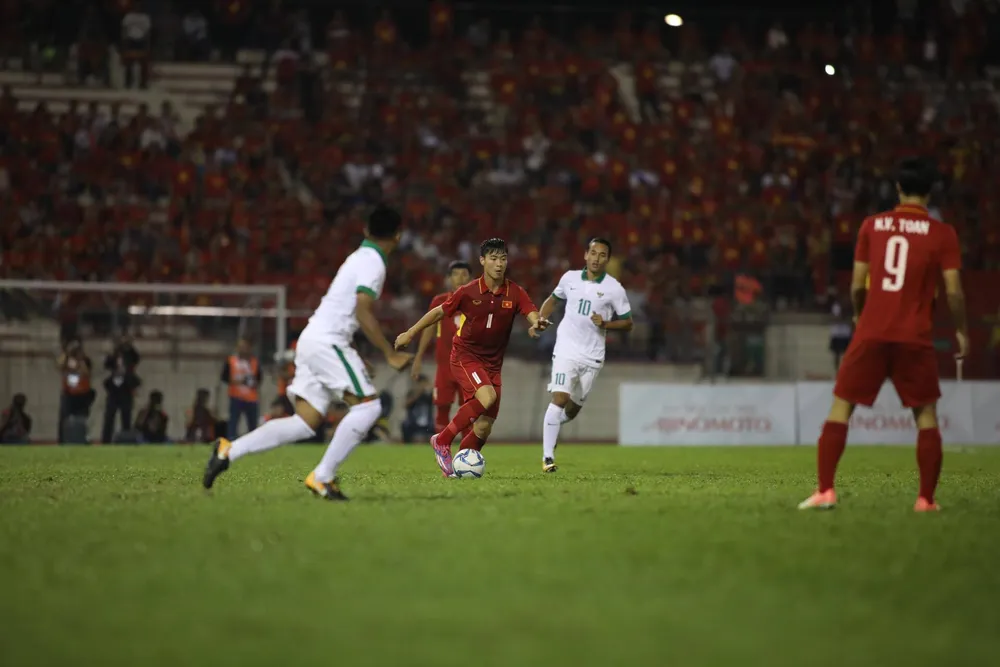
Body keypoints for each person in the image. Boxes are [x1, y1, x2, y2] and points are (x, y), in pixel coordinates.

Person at [203, 205, 414, 500]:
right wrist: (388, 353)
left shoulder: (358, 257)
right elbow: (362, 310)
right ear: (398, 236)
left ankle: (229, 450)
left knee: (305, 421)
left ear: (366, 230)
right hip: (327, 342)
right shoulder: (373, 262)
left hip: (314, 339)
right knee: (368, 407)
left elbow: (341, 311)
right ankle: (323, 477)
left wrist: (352, 353)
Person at [798, 158, 967, 513]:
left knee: (842, 406)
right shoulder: (943, 234)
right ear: (930, 192)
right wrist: (961, 330)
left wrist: (860, 314)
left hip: (872, 332)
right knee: (925, 415)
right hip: (915, 335)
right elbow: (953, 291)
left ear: (898, 189)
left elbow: (857, 284)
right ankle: (925, 499)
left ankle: (826, 490)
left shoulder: (872, 226)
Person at [395, 238, 550, 476]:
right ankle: (442, 440)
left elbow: (531, 312)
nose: (499, 264)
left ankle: (460, 467)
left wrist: (537, 322)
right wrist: (410, 333)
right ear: (482, 261)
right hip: (465, 356)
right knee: (487, 397)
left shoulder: (515, 292)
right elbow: (438, 313)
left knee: (484, 426)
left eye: (503, 259)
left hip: (493, 364)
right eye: (493, 259)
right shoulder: (468, 292)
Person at [536, 238, 632, 472]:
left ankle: (553, 427)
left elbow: (628, 322)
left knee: (572, 409)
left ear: (608, 260)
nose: (597, 258)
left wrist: (606, 324)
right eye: (593, 253)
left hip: (592, 356)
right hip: (566, 349)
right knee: (560, 398)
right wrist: (540, 318)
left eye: (602, 255)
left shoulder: (614, 288)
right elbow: (553, 300)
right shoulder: (569, 278)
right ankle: (548, 457)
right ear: (586, 255)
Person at [411, 260, 472, 435]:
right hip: (445, 367)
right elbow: (428, 329)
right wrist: (418, 357)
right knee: (442, 408)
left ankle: (467, 450)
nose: (460, 278)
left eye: (464, 274)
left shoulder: (478, 302)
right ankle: (441, 448)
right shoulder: (440, 302)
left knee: (468, 411)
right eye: (455, 274)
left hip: (468, 367)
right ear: (448, 279)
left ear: (471, 279)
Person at [102, 333, 141, 443]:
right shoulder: (114, 354)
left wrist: (129, 346)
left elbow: (136, 359)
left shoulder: (130, 354)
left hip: (126, 388)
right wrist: (114, 351)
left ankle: (126, 439)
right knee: (109, 416)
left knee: (126, 416)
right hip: (114, 389)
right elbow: (107, 364)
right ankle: (106, 440)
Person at [221, 337, 261, 439]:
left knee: (252, 424)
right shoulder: (231, 361)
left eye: (245, 347)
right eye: (241, 347)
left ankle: (254, 441)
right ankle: (231, 440)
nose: (243, 349)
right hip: (236, 396)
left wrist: (253, 383)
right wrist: (238, 381)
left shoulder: (254, 362)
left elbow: (259, 378)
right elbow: (224, 377)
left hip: (251, 398)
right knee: (233, 422)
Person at [57, 337, 95, 444]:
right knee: (64, 418)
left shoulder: (85, 360)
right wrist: (66, 353)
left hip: (82, 394)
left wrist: (80, 360)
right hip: (69, 393)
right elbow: (59, 365)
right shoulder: (66, 360)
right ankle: (63, 440)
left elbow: (86, 373)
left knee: (82, 418)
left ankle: (82, 438)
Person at [401, 374, 435, 444]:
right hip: (413, 421)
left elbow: (437, 401)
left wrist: (432, 388)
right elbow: (406, 405)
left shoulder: (429, 394)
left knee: (437, 425)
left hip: (427, 421)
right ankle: (407, 444)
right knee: (405, 425)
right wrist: (418, 393)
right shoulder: (412, 393)